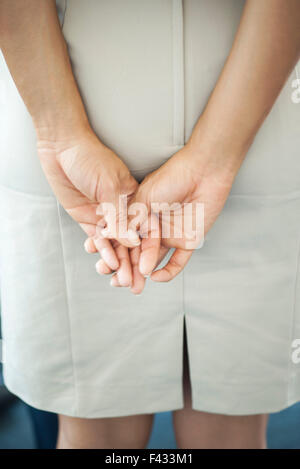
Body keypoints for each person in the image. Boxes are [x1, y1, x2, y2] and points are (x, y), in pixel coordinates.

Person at [0, 0, 299, 449]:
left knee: (231, 421)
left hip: (256, 106)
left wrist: (216, 158)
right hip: (60, 99)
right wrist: (61, 134)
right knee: (94, 423)